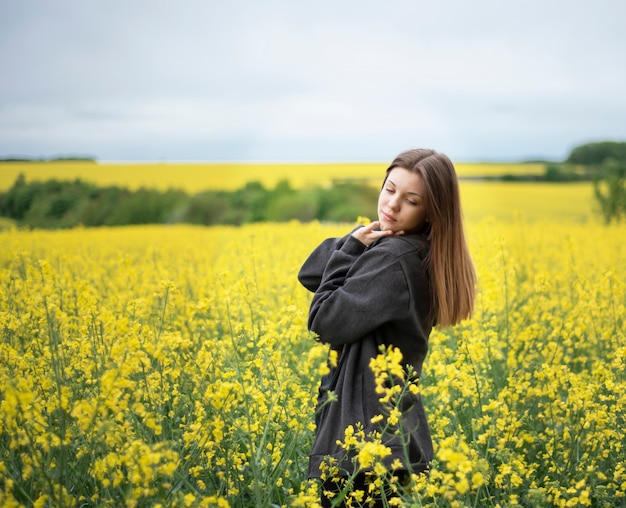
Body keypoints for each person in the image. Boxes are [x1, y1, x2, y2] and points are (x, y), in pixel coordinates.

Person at [298, 148, 476, 507]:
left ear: (431, 212)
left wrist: (351, 248)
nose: (392, 205)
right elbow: (311, 274)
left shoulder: (392, 260)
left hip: (363, 445)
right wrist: (361, 239)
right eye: (389, 189)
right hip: (395, 438)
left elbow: (324, 322)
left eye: (410, 200)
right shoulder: (419, 253)